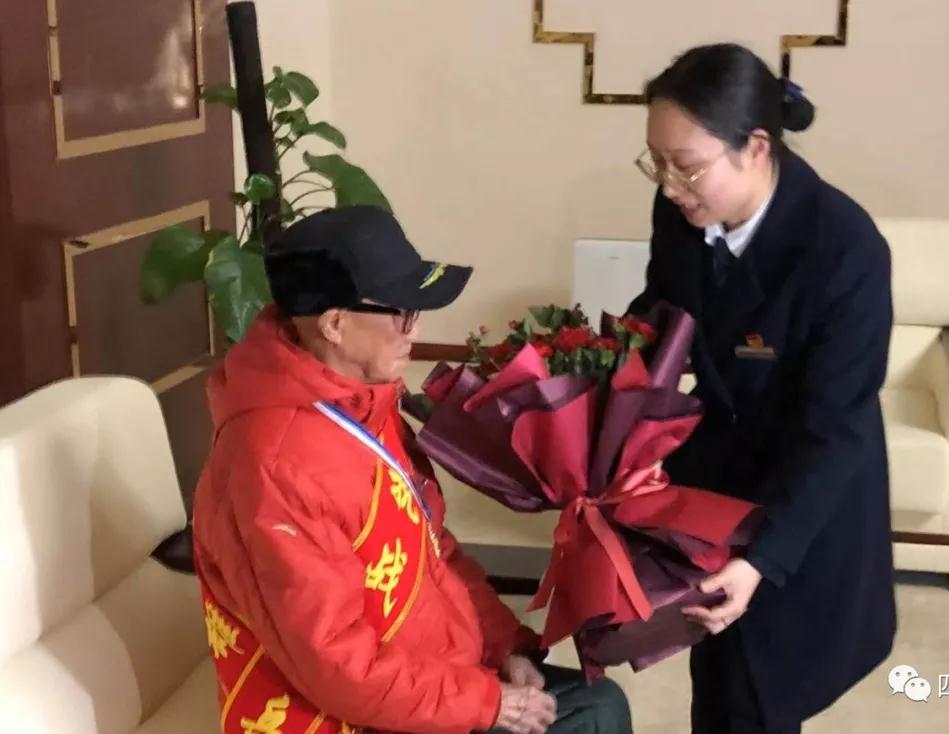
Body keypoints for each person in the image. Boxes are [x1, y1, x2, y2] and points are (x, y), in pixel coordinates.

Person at [193, 205, 632, 734]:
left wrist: (504, 646)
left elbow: (432, 547)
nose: (415, 329)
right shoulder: (273, 464)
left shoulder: (360, 401)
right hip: (339, 714)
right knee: (588, 718)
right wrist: (487, 703)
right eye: (403, 313)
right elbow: (335, 665)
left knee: (596, 703)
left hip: (416, 675)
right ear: (335, 324)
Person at [627, 44, 897, 733]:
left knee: (765, 689)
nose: (669, 186)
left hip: (804, 501)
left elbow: (835, 432)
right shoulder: (682, 213)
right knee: (716, 680)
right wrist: (602, 382)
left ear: (754, 147)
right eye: (656, 163)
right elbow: (665, 308)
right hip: (718, 485)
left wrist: (763, 560)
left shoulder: (844, 248)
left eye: (687, 165)